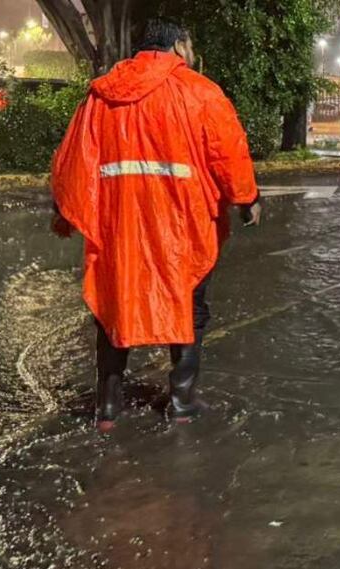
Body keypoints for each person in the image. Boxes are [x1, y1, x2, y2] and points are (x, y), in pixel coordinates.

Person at [51, 19, 261, 431]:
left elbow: (74, 158)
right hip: (183, 226)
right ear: (178, 46)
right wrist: (247, 199)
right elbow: (228, 154)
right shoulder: (200, 92)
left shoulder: (101, 96)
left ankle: (107, 408)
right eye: (190, 45)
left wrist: (63, 210)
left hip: (119, 226)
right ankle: (182, 402)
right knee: (188, 305)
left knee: (113, 306)